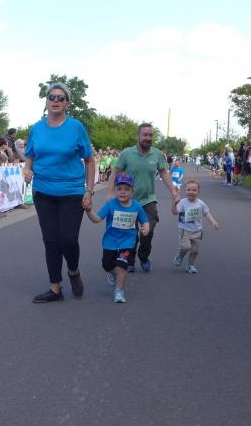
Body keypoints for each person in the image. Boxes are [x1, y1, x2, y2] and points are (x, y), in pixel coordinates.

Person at [24, 82, 95, 303]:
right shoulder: (37, 128)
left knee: (68, 239)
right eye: (51, 97)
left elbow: (89, 160)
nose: (55, 100)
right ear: (46, 102)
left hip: (71, 192)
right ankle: (55, 289)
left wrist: (89, 191)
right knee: (51, 241)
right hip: (43, 192)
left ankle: (73, 270)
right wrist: (27, 169)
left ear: (67, 103)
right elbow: (30, 155)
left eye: (60, 98)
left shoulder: (76, 127)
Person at [108, 123, 178, 272]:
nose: (148, 138)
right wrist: (110, 193)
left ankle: (144, 256)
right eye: (145, 135)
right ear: (138, 136)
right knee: (130, 234)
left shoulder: (156, 154)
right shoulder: (127, 154)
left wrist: (173, 190)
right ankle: (130, 259)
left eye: (151, 135)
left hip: (148, 200)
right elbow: (115, 172)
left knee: (148, 231)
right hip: (128, 201)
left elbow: (164, 173)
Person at [86, 174, 150, 303]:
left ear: (132, 191)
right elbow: (97, 219)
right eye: (119, 189)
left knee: (122, 266)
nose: (122, 192)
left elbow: (145, 220)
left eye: (126, 189)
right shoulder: (110, 205)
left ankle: (119, 291)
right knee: (107, 265)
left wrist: (146, 228)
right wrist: (88, 211)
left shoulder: (136, 206)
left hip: (127, 242)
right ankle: (112, 272)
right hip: (110, 242)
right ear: (115, 190)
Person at [171, 179, 219, 274]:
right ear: (185, 191)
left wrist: (213, 222)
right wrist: (174, 203)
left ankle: (190, 265)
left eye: (194, 190)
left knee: (195, 251)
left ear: (198, 191)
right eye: (188, 190)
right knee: (185, 247)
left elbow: (206, 213)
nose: (191, 192)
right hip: (185, 230)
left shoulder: (200, 203)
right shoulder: (182, 202)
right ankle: (180, 255)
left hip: (197, 231)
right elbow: (174, 212)